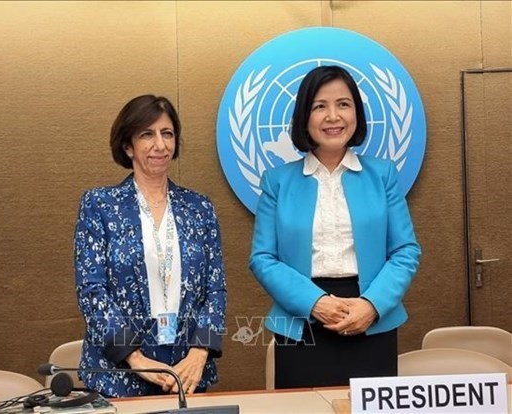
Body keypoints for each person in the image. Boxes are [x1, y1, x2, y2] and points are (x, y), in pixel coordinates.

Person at [249, 65, 421, 388]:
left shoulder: (382, 175)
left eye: (343, 104)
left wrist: (371, 305)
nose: (333, 116)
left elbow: (405, 251)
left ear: (356, 113)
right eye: (320, 106)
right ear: (304, 116)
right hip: (303, 321)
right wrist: (316, 303)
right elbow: (263, 258)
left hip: (370, 318)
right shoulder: (278, 181)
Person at [74, 95, 227, 398]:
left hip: (187, 373)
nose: (160, 145)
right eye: (147, 134)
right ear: (127, 146)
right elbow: (92, 291)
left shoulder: (199, 208)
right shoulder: (100, 205)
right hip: (118, 375)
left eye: (167, 134)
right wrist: (136, 359)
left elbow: (216, 288)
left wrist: (199, 354)